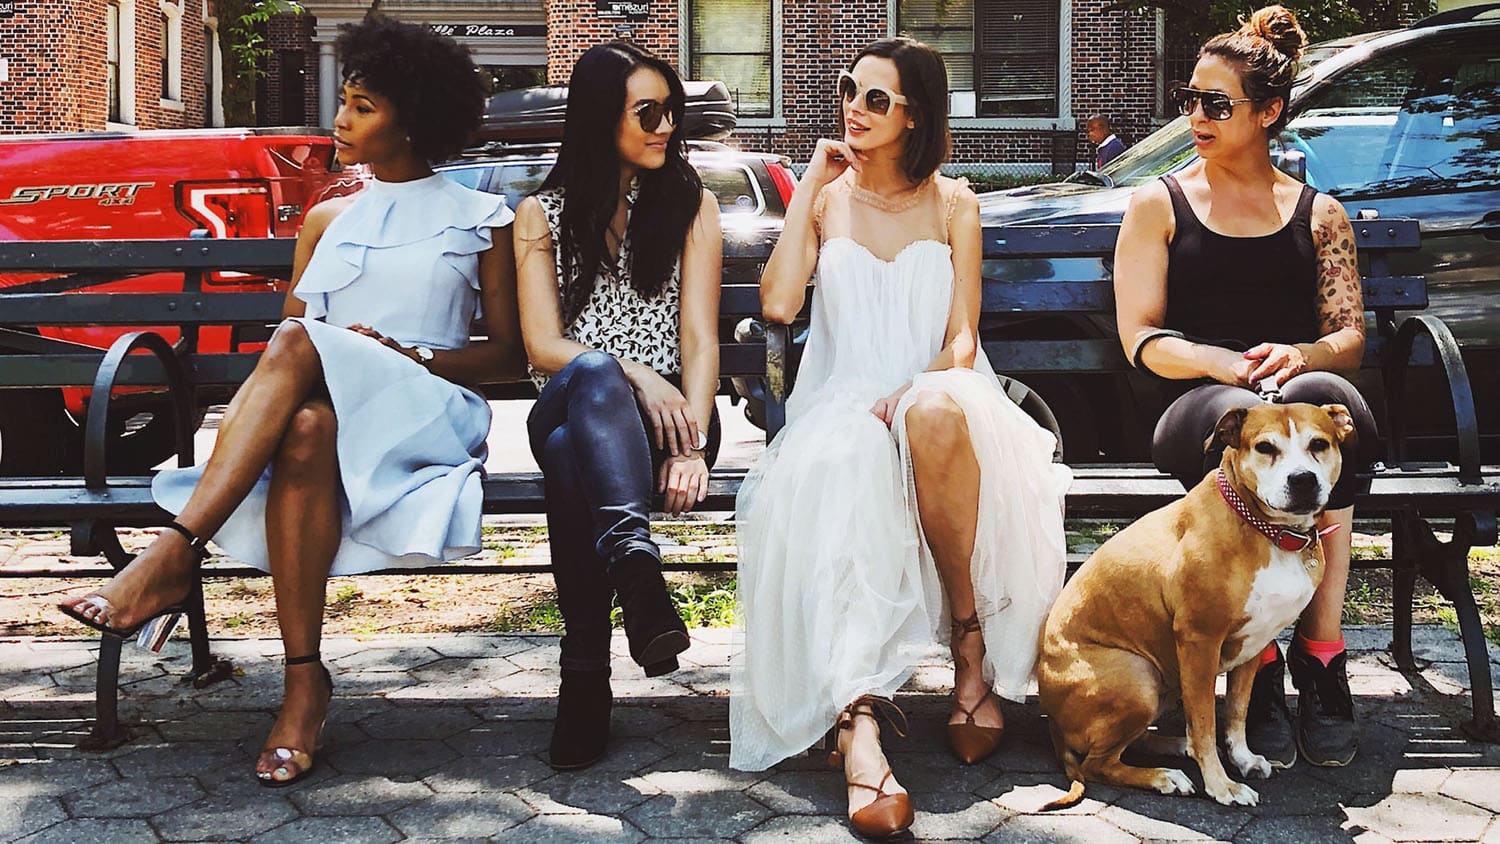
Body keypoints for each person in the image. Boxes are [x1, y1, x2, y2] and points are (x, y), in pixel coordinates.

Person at [58, 16, 523, 786]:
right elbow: (292, 361)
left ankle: (174, 552)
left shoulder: (480, 218)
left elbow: (506, 356)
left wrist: (403, 353)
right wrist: (341, 355)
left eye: (363, 105)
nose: (340, 119)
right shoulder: (327, 218)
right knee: (303, 423)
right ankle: (304, 682)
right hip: (334, 417)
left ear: (413, 120)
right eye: (345, 100)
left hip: (425, 413)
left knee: (302, 340)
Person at [731, 38, 1071, 837]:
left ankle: (970, 650)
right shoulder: (826, 199)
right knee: (848, 459)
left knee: (935, 413)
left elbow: (962, 335)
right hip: (840, 402)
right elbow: (779, 306)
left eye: (876, 98)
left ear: (915, 113)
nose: (854, 107)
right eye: (850, 91)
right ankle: (859, 724)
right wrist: (814, 178)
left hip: (936, 387)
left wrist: (916, 386)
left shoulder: (955, 203)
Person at [1113, 5, 1377, 770]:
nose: (1196, 115)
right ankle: (1252, 665)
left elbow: (1348, 336)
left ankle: (1320, 656)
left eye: (1216, 104)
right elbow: (1140, 338)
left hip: (1295, 398)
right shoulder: (1157, 204)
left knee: (1341, 411)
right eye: (1189, 99)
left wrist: (1301, 353)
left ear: (1268, 113)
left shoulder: (1317, 213)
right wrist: (1220, 363)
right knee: (1243, 419)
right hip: (1193, 400)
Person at [513, 41, 723, 772]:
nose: (665, 126)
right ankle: (634, 565)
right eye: (647, 113)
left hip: (669, 426)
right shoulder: (542, 213)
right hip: (575, 395)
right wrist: (634, 372)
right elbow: (544, 346)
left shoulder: (692, 204)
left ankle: (586, 676)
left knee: (576, 455)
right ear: (602, 119)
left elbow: (698, 336)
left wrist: (692, 440)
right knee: (592, 379)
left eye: (670, 111)